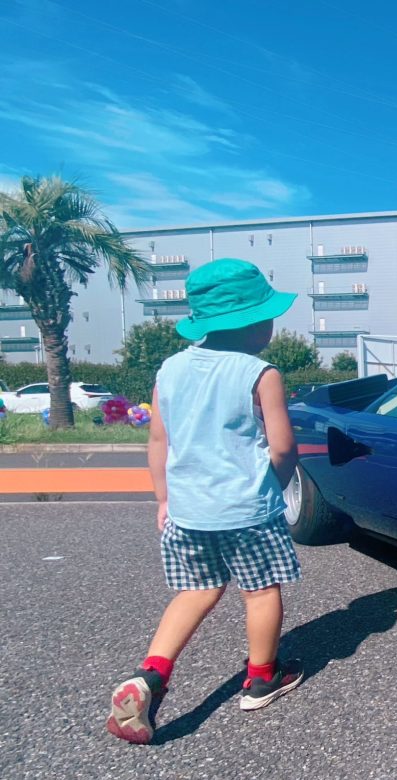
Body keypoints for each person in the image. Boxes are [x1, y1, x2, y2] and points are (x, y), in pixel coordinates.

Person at [106, 258, 304, 744]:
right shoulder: (260, 372)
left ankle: (150, 675)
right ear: (254, 320)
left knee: (195, 591)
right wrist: (272, 488)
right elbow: (282, 448)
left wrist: (163, 499)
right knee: (260, 591)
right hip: (247, 510)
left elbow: (158, 442)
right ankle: (262, 678)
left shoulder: (169, 370)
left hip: (188, 510)